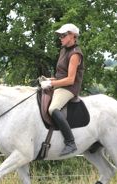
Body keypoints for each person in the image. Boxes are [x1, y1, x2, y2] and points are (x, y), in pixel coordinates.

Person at [40, 23, 84, 156]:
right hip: (60, 85)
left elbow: (70, 79)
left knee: (53, 109)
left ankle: (70, 142)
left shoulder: (75, 54)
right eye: (60, 35)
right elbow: (60, 75)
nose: (61, 38)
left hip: (69, 88)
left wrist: (52, 84)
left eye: (64, 35)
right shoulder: (64, 49)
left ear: (73, 36)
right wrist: (48, 80)